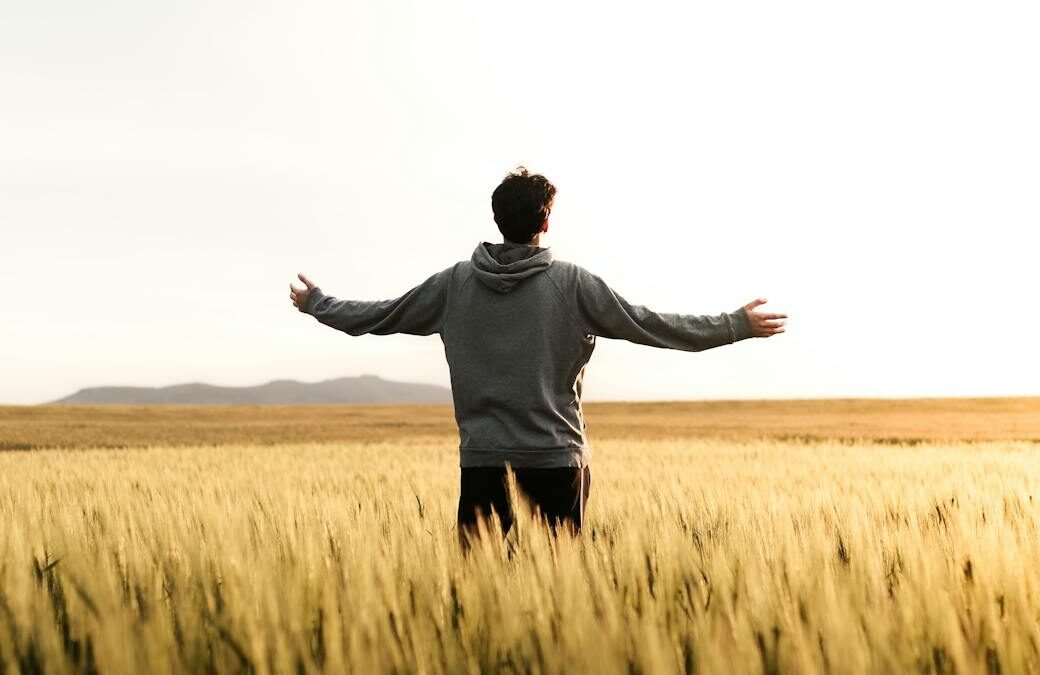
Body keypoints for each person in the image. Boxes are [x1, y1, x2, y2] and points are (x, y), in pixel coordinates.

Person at [289, 167, 787, 549]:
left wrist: (317, 304)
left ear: (497, 219)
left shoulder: (454, 284)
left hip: (483, 460)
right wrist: (734, 325)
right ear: (545, 221)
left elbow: (379, 315)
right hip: (555, 460)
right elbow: (651, 324)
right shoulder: (572, 285)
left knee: (480, 599)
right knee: (560, 596)